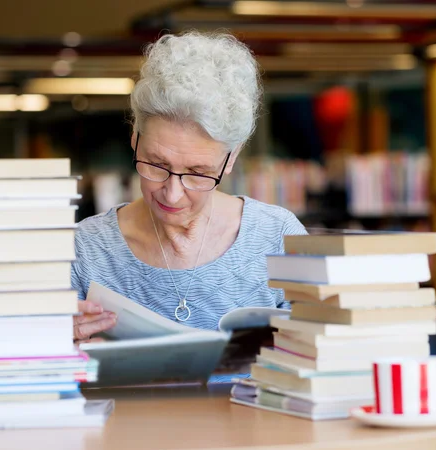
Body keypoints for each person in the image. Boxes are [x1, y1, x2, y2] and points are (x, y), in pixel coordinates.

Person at [73, 31, 307, 343]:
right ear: (134, 139)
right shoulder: (86, 251)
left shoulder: (277, 238)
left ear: (231, 158)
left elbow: (326, 359)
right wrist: (52, 342)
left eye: (198, 173)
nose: (172, 193)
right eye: (156, 165)